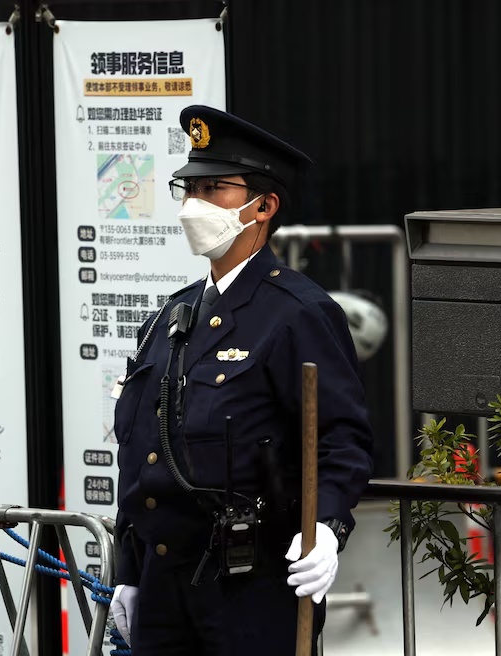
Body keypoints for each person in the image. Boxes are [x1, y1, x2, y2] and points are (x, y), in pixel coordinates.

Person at [109, 106, 373, 655]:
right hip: (165, 590)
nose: (194, 205)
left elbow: (341, 438)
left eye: (214, 189)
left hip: (250, 590)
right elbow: (141, 451)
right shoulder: (171, 318)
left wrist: (326, 527)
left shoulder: (298, 313)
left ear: (264, 206)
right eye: (189, 188)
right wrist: (129, 572)